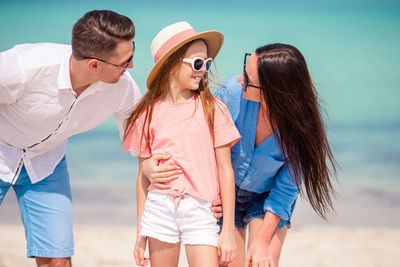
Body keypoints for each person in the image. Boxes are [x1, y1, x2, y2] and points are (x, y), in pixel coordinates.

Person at [144, 43, 337, 267]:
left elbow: (285, 190)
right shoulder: (231, 93)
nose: (239, 80)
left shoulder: (302, 128)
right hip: (225, 195)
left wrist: (263, 241)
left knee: (262, 261)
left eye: (248, 79)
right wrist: (148, 165)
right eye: (244, 69)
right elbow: (190, 138)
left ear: (275, 92)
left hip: (266, 199)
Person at [0, 10, 142, 267]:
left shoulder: (123, 87)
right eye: (125, 62)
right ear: (94, 65)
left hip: (46, 163)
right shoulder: (22, 67)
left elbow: (141, 137)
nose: (131, 66)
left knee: (58, 261)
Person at [122, 21, 241, 267]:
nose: (203, 70)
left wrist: (227, 230)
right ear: (170, 65)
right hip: (159, 209)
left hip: (201, 210)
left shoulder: (213, 109)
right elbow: (143, 177)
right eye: (197, 63)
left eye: (206, 64)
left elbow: (225, 170)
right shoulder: (146, 113)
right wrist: (140, 234)